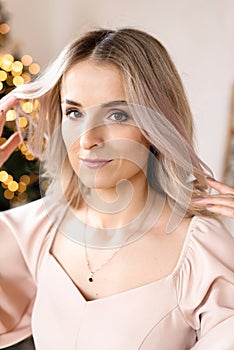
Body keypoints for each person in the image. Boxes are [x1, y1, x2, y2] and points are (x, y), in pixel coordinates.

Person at [0, 28, 233, 350]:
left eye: (117, 114)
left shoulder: (202, 251)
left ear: (158, 125)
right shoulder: (32, 230)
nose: (88, 139)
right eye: (75, 112)